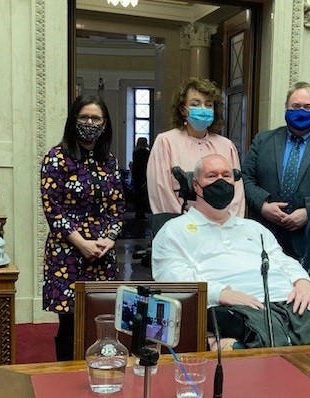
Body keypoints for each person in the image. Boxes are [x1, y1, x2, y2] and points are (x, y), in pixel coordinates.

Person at [152, 154, 310, 348]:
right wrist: (222, 294)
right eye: (212, 175)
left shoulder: (254, 228)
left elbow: (282, 260)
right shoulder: (174, 231)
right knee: (274, 344)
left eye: (227, 175)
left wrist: (303, 283)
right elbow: (171, 280)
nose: (221, 181)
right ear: (196, 185)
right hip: (234, 307)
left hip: (288, 298)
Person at [40, 95, 125, 360]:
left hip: (102, 254)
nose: (90, 123)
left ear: (105, 123)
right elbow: (53, 210)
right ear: (74, 120)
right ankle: (65, 373)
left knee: (102, 319)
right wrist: (82, 243)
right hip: (67, 253)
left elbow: (118, 207)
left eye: (96, 118)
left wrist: (109, 239)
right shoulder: (56, 158)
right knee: (69, 322)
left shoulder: (108, 160)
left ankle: (101, 370)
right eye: (84, 117)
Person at [241, 81, 310, 260]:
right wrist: (262, 206)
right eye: (296, 106)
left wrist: (309, 211)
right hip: (263, 236)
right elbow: (244, 178)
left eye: (308, 107)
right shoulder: (263, 140)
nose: (302, 111)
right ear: (286, 108)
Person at [146, 77, 245, 216]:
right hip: (180, 226)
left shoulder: (226, 146)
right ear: (183, 109)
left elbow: (237, 195)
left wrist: (228, 224)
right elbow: (161, 192)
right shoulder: (166, 142)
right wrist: (188, 225)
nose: (203, 109)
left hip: (221, 227)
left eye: (209, 104)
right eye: (195, 104)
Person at [132, 137, 150, 219]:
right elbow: (147, 166)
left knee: (137, 195)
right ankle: (142, 212)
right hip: (144, 175)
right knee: (143, 195)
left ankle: (138, 212)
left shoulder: (135, 152)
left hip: (136, 175)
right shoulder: (147, 153)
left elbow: (135, 166)